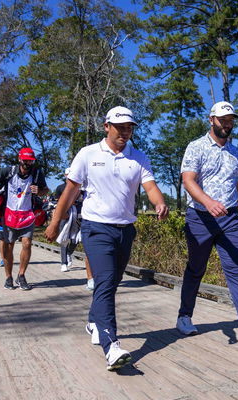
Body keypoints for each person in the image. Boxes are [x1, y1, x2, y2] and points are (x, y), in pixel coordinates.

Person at [45, 106, 169, 371]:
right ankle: (111, 346)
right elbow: (70, 191)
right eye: (120, 127)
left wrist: (159, 203)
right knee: (104, 281)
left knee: (111, 281)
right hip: (95, 227)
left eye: (129, 128)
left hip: (125, 229)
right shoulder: (88, 154)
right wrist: (55, 222)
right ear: (106, 126)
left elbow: (150, 187)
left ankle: (93, 321)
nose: (125, 132)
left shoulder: (138, 157)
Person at [176, 101, 238, 351]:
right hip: (200, 217)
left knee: (235, 269)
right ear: (212, 120)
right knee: (196, 268)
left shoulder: (235, 152)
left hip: (229, 219)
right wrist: (208, 203)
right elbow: (188, 181)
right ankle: (184, 316)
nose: (227, 124)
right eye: (223, 120)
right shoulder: (196, 147)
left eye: (231, 120)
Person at [0, 148, 49, 290]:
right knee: (8, 245)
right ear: (19, 159)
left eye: (30, 161)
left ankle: (22, 275)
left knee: (27, 243)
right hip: (9, 214)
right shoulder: (8, 171)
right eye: (25, 160)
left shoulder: (37, 173)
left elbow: (45, 190)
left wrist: (40, 191)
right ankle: (8, 277)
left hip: (27, 214)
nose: (27, 163)